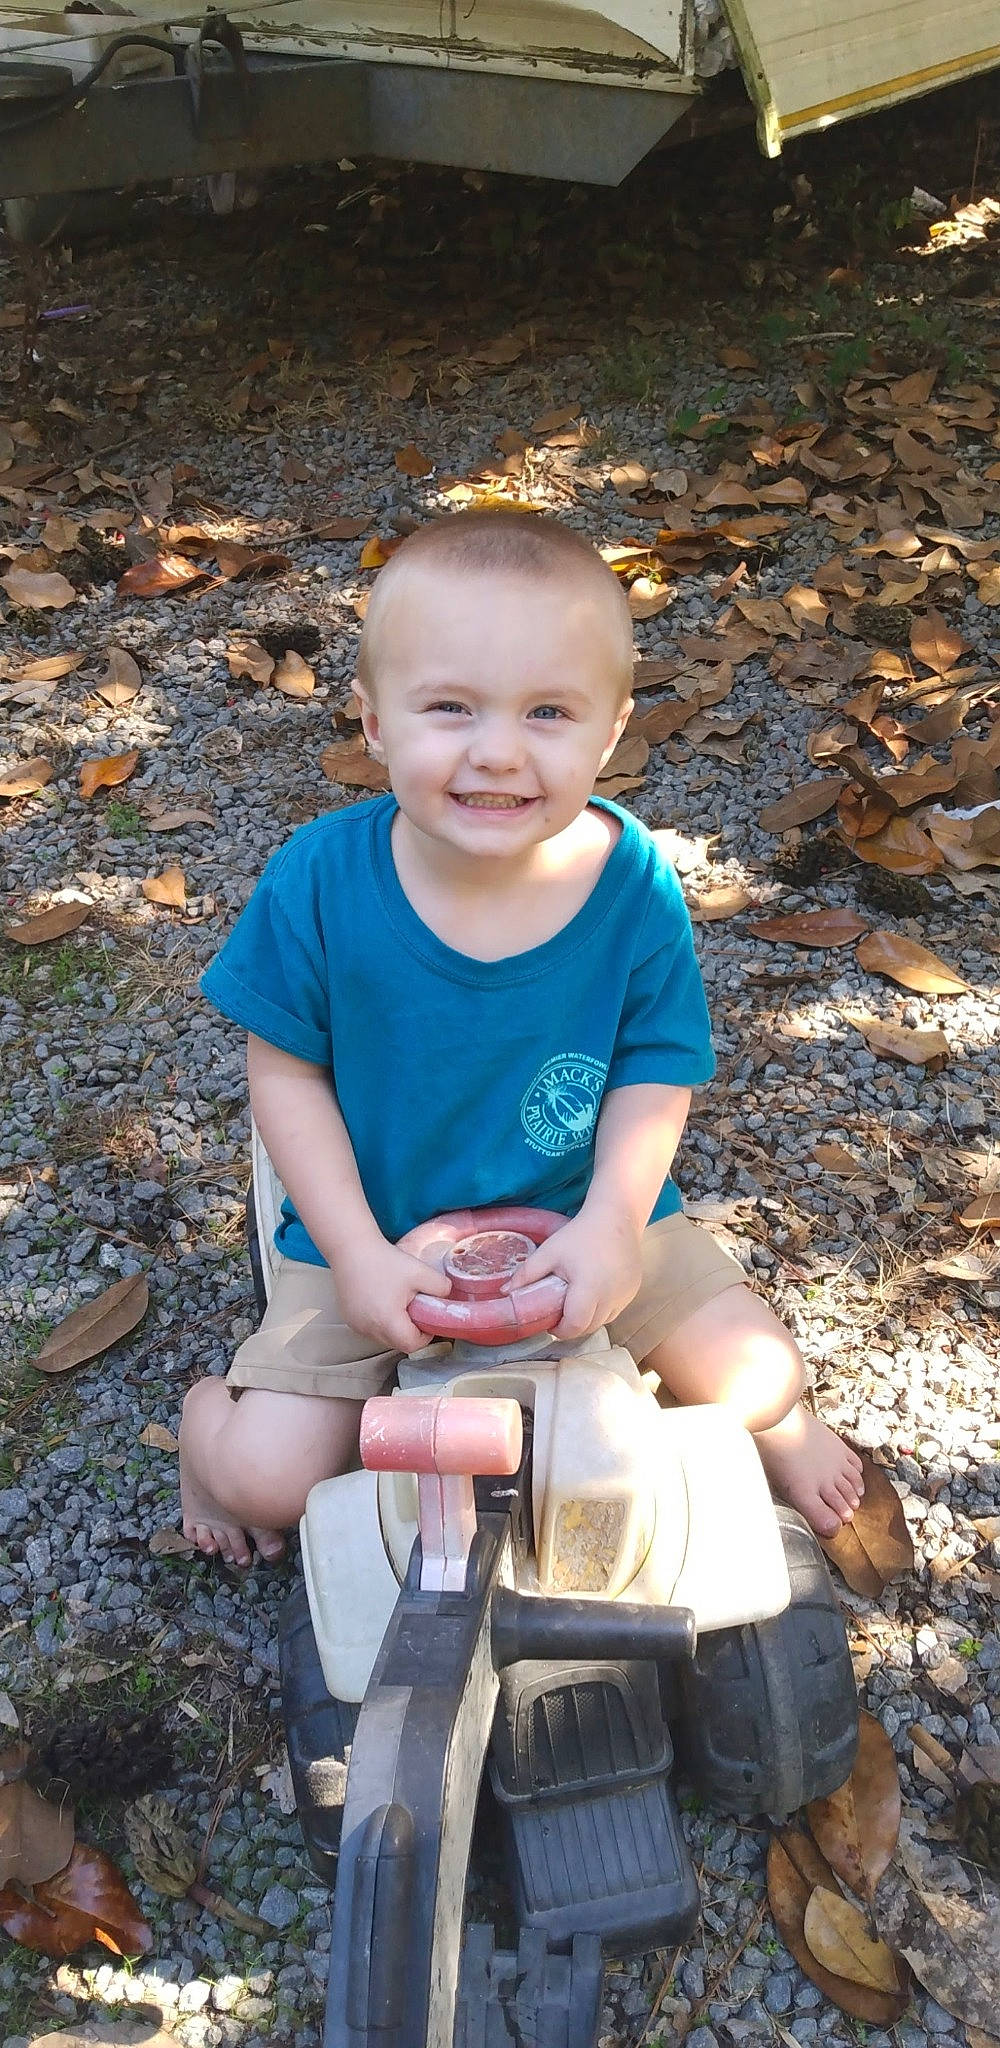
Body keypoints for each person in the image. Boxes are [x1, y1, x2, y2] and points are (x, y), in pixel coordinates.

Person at [179, 510, 864, 1567]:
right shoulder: (317, 878)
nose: (496, 751)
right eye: (449, 706)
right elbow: (288, 1075)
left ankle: (787, 1430)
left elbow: (654, 1065)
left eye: (547, 710)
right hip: (374, 1227)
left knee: (760, 1378)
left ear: (611, 728)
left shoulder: (632, 881)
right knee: (266, 1478)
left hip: (578, 1208)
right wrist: (355, 1251)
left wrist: (612, 1225)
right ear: (371, 721)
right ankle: (199, 1428)